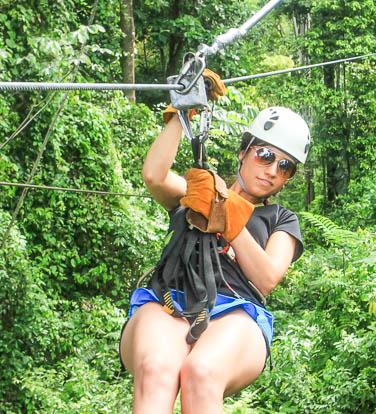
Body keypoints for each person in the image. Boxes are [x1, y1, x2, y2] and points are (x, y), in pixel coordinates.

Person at [118, 72, 309, 413]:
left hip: (237, 312)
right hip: (169, 299)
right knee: (156, 369)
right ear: (244, 152)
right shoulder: (204, 192)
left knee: (201, 372)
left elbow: (266, 277)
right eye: (265, 156)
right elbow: (155, 175)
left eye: (285, 166)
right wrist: (181, 113)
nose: (272, 170)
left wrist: (229, 216)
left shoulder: (281, 219)